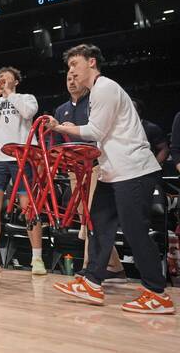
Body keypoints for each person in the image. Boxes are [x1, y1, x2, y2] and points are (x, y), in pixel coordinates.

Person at [49, 44, 175, 314]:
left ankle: (157, 293)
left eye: (75, 64)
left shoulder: (104, 87)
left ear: (91, 62)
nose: (71, 70)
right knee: (98, 223)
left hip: (134, 170)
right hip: (113, 171)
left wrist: (61, 127)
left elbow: (96, 130)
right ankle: (93, 282)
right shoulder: (97, 91)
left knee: (134, 231)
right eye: (68, 66)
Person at [54, 71, 126, 282]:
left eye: (75, 78)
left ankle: (90, 267)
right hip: (72, 169)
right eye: (68, 79)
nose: (72, 82)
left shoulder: (93, 103)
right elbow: (56, 140)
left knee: (90, 214)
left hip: (95, 165)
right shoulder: (61, 110)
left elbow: (98, 132)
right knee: (82, 213)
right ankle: (114, 266)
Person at [0, 67, 46, 275]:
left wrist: (9, 94)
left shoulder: (26, 98)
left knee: (28, 207)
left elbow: (27, 112)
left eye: (7, 77)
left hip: (22, 158)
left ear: (16, 81)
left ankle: (37, 258)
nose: (3, 80)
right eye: (0, 77)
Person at [132, 99, 169, 165]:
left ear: (139, 111)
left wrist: (153, 166)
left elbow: (164, 149)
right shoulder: (118, 128)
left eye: (132, 108)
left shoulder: (151, 128)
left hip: (144, 169)